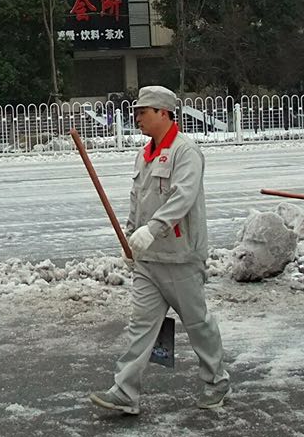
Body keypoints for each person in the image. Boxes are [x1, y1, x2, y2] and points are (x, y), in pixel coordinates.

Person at [89, 86, 230, 415]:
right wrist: (130, 238)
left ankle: (216, 381)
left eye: (143, 112)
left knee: (197, 323)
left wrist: (153, 229)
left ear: (163, 113)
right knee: (140, 326)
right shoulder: (144, 155)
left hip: (181, 256)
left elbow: (183, 197)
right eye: (137, 112)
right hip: (148, 260)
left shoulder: (185, 152)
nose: (137, 118)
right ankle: (125, 391)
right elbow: (137, 200)